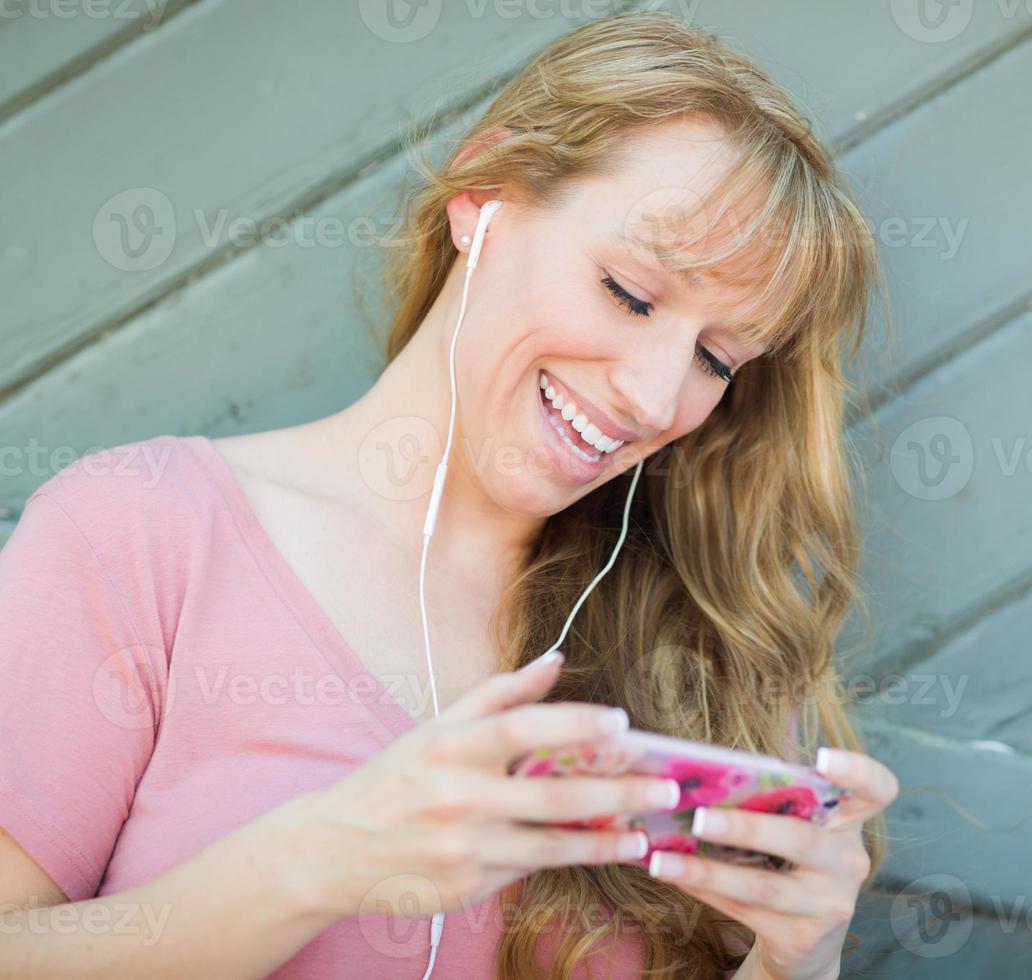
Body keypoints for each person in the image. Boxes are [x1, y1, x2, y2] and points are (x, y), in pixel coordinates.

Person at [0, 10, 898, 978]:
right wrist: (321, 856)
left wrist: (791, 964)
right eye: (630, 292)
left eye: (717, 358)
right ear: (486, 191)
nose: (651, 392)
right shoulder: (139, 532)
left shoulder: (709, 658)